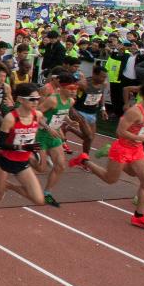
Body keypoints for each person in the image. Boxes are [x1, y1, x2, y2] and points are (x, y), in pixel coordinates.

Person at [69, 78, 144, 231]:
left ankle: (139, 217)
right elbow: (120, 132)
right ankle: (84, 160)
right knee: (110, 179)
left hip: (137, 149)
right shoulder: (135, 112)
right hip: (122, 148)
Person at [0, 82, 47, 234]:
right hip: (6, 161)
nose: (36, 102)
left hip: (23, 162)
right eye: (32, 99)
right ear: (21, 100)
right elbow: (1, 144)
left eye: (38, 99)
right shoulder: (10, 118)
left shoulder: (38, 115)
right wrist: (23, 147)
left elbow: (36, 129)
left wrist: (35, 145)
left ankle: (10, 186)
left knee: (39, 199)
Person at [35, 72, 79, 208]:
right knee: (41, 168)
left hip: (53, 136)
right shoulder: (52, 100)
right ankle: (24, 157)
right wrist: (48, 128)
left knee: (60, 166)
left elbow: (62, 114)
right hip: (41, 134)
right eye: (71, 89)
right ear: (62, 87)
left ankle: (47, 193)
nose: (73, 92)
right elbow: (37, 115)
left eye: (75, 89)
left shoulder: (70, 101)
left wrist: (70, 122)